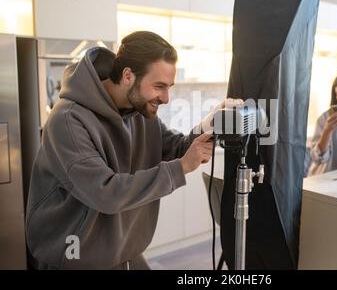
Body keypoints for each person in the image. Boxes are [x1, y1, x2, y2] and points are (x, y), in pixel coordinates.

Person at [26, 31, 242, 269]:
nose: (166, 98)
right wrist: (180, 168)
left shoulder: (140, 111)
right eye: (159, 86)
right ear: (128, 75)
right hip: (75, 258)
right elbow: (104, 192)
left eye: (169, 87)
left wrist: (211, 125)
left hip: (122, 252)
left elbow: (176, 148)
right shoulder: (68, 120)